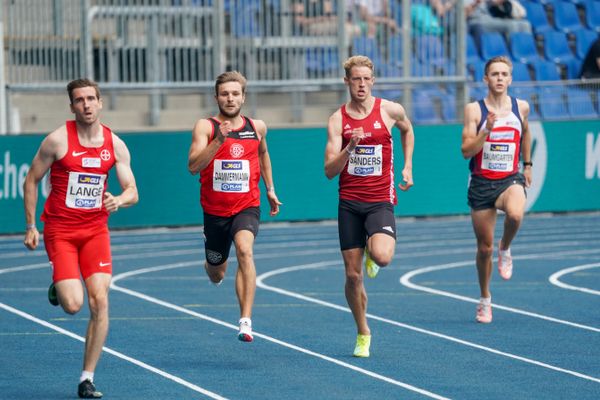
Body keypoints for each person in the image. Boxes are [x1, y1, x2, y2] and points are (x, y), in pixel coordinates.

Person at [23, 78, 139, 398]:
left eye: (91, 99)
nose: (86, 105)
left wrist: (120, 199)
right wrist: (31, 226)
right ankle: (61, 284)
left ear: (100, 103)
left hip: (95, 231)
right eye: (79, 100)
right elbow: (31, 180)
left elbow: (133, 191)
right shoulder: (57, 141)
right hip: (60, 231)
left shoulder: (114, 144)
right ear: (72, 106)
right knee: (73, 305)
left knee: (99, 300)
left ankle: (86, 378)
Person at [324, 55, 414, 357]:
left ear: (372, 80)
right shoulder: (338, 120)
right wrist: (350, 147)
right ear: (347, 81)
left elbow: (407, 129)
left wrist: (408, 166)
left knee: (383, 256)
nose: (361, 84)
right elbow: (329, 170)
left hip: (380, 200)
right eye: (355, 79)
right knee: (352, 276)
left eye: (366, 79)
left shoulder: (389, 110)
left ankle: (373, 254)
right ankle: (363, 330)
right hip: (349, 203)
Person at [187, 70, 281, 343]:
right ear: (216, 97)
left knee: (244, 249)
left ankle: (245, 321)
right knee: (217, 271)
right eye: (225, 94)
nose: (230, 99)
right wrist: (218, 140)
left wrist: (270, 190)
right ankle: (211, 264)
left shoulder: (257, 127)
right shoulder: (205, 127)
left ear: (243, 97)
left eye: (235, 94)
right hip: (215, 212)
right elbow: (193, 167)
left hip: (246, 206)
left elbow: (263, 155)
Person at [461, 56, 532, 324]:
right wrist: (486, 131)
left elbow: (526, 133)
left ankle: (506, 247)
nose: (500, 78)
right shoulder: (474, 111)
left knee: (515, 214)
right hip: (481, 183)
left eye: (504, 74)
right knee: (483, 249)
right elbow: (466, 150)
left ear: (510, 78)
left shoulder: (521, 107)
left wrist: (528, 164)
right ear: (485, 79)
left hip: (509, 178)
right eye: (494, 74)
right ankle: (485, 299)